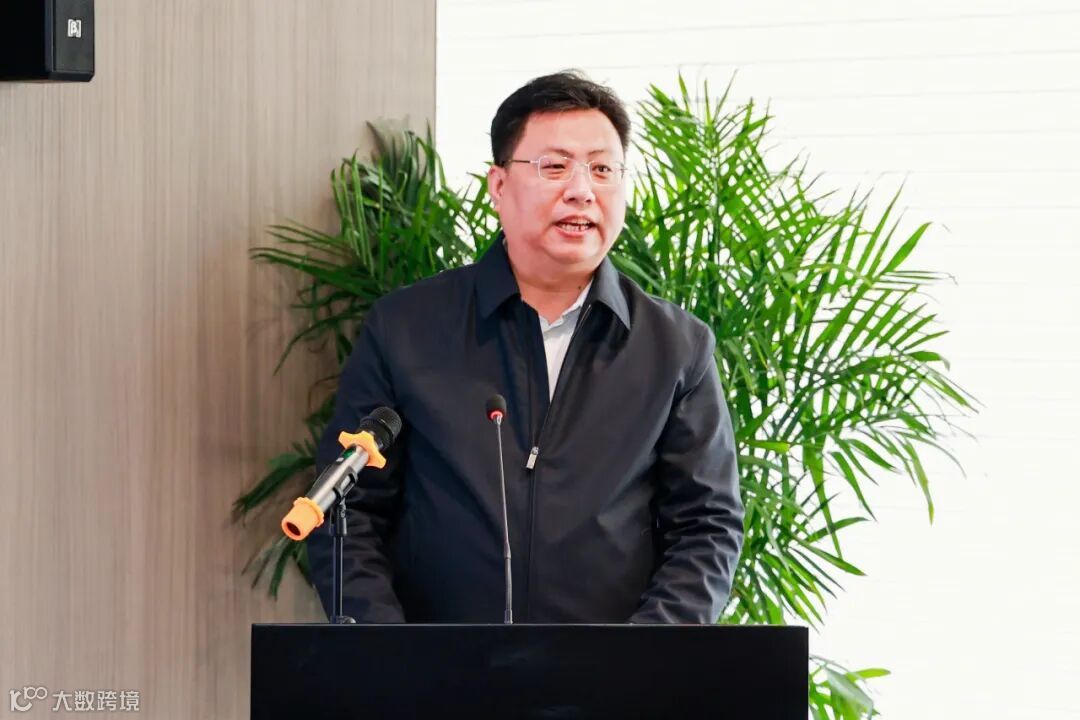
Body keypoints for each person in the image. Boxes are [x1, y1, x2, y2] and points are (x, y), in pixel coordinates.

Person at [307, 70, 744, 624]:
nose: (582, 190)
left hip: (610, 670)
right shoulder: (407, 328)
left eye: (602, 169)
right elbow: (349, 510)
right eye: (555, 166)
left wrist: (640, 660)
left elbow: (706, 527)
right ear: (498, 186)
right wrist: (395, 656)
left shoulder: (675, 347)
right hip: (437, 668)